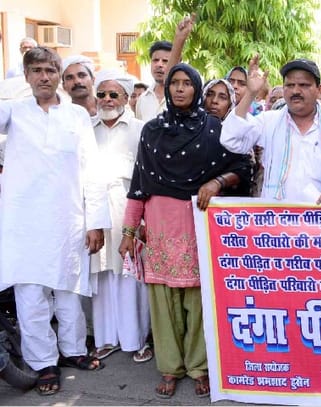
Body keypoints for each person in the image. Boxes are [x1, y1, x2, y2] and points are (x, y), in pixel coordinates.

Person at [119, 63, 252, 399]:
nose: (179, 89)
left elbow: (241, 167)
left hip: (197, 225)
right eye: (174, 83)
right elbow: (139, 183)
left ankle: (198, 367)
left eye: (186, 83)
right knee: (163, 303)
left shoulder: (214, 130)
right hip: (160, 226)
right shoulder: (152, 130)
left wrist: (217, 181)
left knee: (198, 301)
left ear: (196, 89)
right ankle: (169, 366)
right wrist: (129, 231)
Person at [0, 46, 109, 396]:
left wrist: (96, 221)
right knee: (30, 294)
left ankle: (73, 350)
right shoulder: (13, 111)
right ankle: (44, 362)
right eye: (36, 71)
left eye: (50, 70)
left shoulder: (76, 116)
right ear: (27, 76)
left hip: (67, 218)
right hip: (23, 222)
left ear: (58, 75)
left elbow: (92, 169)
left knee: (69, 290)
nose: (44, 77)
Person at [221, 56, 321, 203]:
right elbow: (231, 140)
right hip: (278, 215)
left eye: (303, 85)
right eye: (289, 85)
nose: (295, 91)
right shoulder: (269, 121)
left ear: (319, 90)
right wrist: (250, 93)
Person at [89, 70, 153, 364]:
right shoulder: (87, 129)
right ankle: (106, 339)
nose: (107, 99)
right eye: (101, 94)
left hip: (128, 211)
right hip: (95, 210)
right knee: (101, 275)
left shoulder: (141, 129)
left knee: (131, 275)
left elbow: (147, 177)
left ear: (127, 98)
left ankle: (137, 340)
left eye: (113, 94)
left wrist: (144, 219)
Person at [135, 40, 172, 122]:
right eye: (155, 60)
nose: (159, 65)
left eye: (165, 61)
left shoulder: (181, 97)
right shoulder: (142, 99)